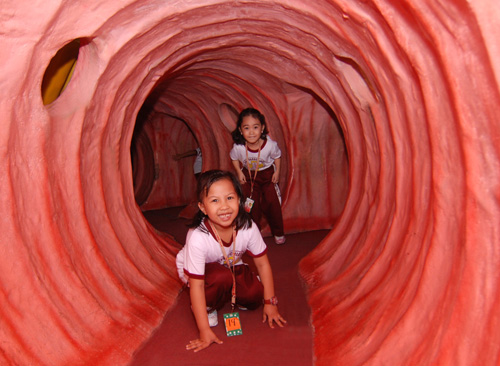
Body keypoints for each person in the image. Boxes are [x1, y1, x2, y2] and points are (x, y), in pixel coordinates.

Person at [176, 170, 287, 353]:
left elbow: (262, 264)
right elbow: (196, 285)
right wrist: (204, 331)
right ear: (202, 208)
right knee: (221, 278)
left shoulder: (248, 226)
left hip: (231, 263)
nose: (224, 207)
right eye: (214, 200)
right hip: (199, 273)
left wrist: (270, 302)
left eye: (229, 198)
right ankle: (208, 305)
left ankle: (234, 290)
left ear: (239, 200)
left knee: (254, 295)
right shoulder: (197, 236)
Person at [230, 108, 286, 245]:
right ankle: (254, 234)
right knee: (250, 205)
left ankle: (278, 232)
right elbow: (234, 158)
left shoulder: (270, 145)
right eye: (246, 128)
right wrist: (239, 172)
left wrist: (277, 172)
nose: (251, 132)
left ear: (262, 129)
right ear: (240, 130)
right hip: (249, 177)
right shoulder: (238, 147)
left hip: (267, 175)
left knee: (272, 203)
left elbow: (277, 156)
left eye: (255, 127)